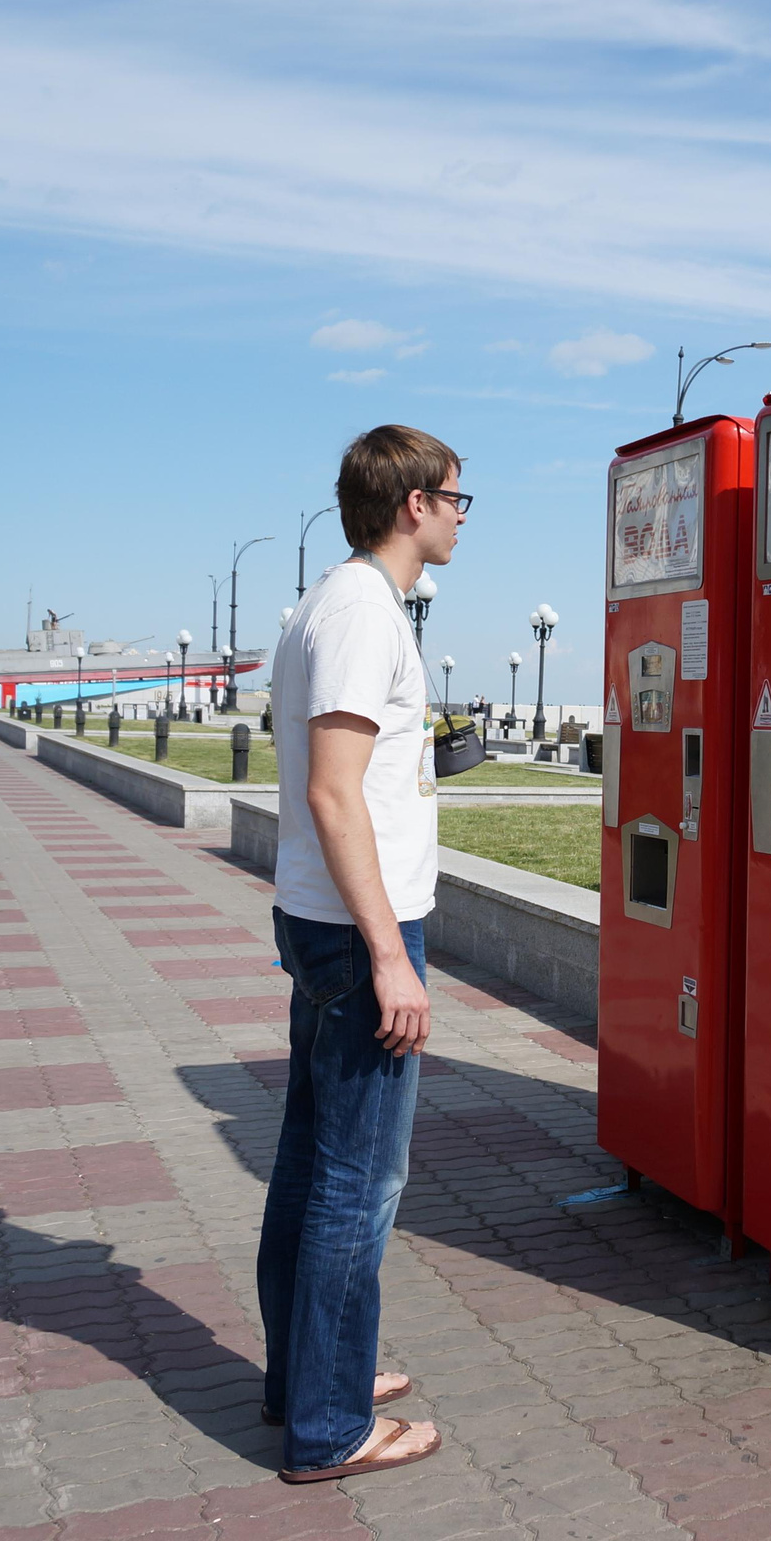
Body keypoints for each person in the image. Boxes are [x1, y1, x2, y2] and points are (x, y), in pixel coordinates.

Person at [258, 424, 467, 1484]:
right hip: (357, 929)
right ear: (412, 504)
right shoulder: (355, 612)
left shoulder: (336, 605)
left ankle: (310, 1377)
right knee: (357, 1183)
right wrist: (392, 957)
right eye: (457, 499)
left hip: (330, 916)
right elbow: (333, 792)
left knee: (311, 1164)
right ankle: (330, 1426)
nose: (463, 516)